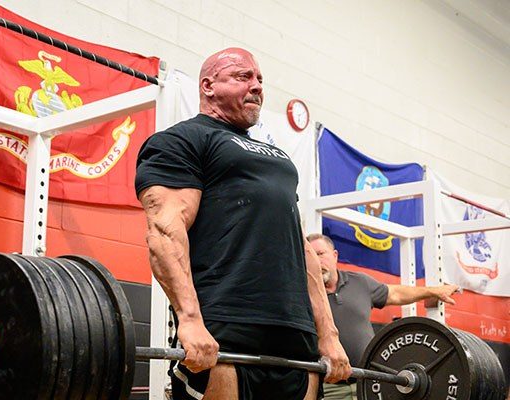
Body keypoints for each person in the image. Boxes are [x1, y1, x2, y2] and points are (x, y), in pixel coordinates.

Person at [135, 47, 352, 400]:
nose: (257, 86)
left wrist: (328, 334)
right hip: (227, 327)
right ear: (207, 86)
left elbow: (302, 252)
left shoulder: (280, 160)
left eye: (260, 79)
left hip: (296, 335)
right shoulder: (182, 140)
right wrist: (189, 319)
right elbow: (165, 230)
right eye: (243, 77)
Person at [306, 233, 460, 400]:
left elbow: (395, 294)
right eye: (311, 256)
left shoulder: (360, 283)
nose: (316, 261)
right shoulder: (303, 293)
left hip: (369, 381)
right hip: (329, 388)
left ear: (335, 255)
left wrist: (434, 291)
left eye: (320, 254)